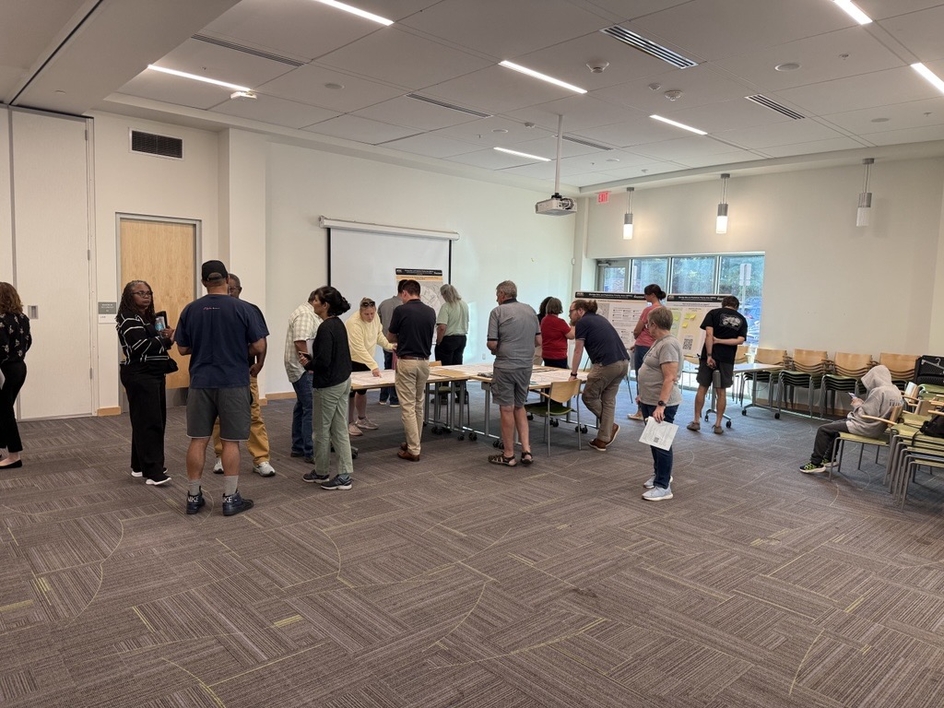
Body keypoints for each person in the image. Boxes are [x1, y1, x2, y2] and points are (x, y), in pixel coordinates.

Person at [175, 260, 267, 516]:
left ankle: (193, 497)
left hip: (200, 382)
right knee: (230, 441)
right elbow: (259, 346)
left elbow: (182, 348)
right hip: (233, 381)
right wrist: (236, 347)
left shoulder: (191, 309)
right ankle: (230, 497)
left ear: (203, 282)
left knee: (198, 440)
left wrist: (205, 345)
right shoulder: (243, 308)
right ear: (227, 279)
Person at [210, 274, 274, 477]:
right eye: (226, 289)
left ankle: (261, 459)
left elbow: (261, 339)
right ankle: (220, 456)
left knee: (253, 414)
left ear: (240, 290)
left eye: (233, 289)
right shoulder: (212, 310)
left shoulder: (250, 310)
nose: (229, 293)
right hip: (217, 372)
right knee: (219, 416)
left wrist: (260, 363)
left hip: (244, 372)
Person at [116, 280, 174, 485]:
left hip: (153, 372)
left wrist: (165, 337)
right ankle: (153, 471)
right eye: (140, 293)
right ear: (129, 297)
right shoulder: (128, 318)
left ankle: (139, 466)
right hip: (141, 374)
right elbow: (140, 345)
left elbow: (155, 345)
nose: (146, 296)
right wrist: (165, 339)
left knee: (146, 421)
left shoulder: (146, 318)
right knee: (150, 423)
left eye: (148, 292)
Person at [299, 286, 355, 489]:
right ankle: (344, 474)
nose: (313, 303)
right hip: (342, 381)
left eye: (316, 300)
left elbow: (323, 362)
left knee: (321, 431)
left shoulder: (325, 328)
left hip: (328, 386)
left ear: (325, 305)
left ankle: (322, 471)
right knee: (339, 430)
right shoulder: (338, 324)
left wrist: (308, 363)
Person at [800, 364, 903, 473]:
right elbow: (877, 410)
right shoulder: (895, 390)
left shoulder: (879, 391)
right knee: (834, 426)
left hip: (867, 427)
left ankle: (815, 463)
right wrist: (863, 404)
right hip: (879, 427)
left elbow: (867, 415)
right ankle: (829, 459)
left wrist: (857, 404)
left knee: (823, 429)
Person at [486, 280, 540, 467]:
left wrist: (497, 348)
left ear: (502, 294)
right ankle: (526, 450)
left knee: (506, 408)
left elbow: (492, 343)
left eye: (497, 295)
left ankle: (508, 454)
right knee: (520, 406)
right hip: (526, 366)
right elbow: (538, 341)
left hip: (506, 366)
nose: (496, 299)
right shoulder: (530, 310)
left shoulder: (497, 312)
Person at [569, 298, 630, 452]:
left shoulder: (583, 322)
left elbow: (578, 350)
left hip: (606, 364)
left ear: (580, 311)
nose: (569, 315)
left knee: (588, 396)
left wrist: (573, 373)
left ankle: (609, 427)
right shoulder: (600, 319)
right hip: (623, 363)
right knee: (608, 399)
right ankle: (603, 439)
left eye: (571, 311)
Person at [636, 306, 683, 501]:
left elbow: (669, 378)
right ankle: (659, 475)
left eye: (648, 325)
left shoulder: (668, 345)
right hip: (650, 399)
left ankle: (663, 486)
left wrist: (661, 405)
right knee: (653, 441)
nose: (647, 328)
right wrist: (643, 395)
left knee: (661, 444)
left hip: (662, 403)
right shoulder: (659, 342)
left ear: (654, 324)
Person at [387, 279, 436, 461]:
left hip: (407, 361)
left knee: (407, 406)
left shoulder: (401, 310)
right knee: (418, 404)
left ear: (405, 293)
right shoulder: (430, 311)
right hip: (424, 362)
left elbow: (390, 337)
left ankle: (414, 449)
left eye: (402, 295)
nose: (401, 298)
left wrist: (401, 338)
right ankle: (414, 441)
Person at [687, 295, 748, 434]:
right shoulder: (741, 319)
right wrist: (721, 341)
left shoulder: (713, 313)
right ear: (736, 306)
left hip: (709, 356)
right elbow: (740, 340)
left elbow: (709, 335)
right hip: (727, 358)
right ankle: (718, 424)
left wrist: (709, 355)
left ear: (723, 304)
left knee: (702, 388)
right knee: (722, 392)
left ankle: (696, 421)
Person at [346, 296, 393, 436]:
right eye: (366, 314)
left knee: (362, 391)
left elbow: (378, 335)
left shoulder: (375, 318)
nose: (370, 317)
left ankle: (361, 419)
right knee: (350, 392)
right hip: (352, 359)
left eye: (372, 313)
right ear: (360, 312)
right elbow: (358, 348)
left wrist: (389, 346)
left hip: (366, 360)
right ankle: (349, 422)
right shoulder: (353, 323)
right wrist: (374, 365)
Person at [284, 290, 320, 463]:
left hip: (301, 367)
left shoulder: (306, 312)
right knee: (310, 407)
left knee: (302, 405)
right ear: (315, 300)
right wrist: (310, 364)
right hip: (302, 368)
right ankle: (310, 450)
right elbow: (300, 342)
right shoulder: (306, 314)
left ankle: (298, 446)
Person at [0, 283, 32, 469]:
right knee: (3, 410)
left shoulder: (1, 320)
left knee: (5, 412)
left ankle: (14, 456)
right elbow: (28, 342)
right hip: (19, 368)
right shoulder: (22, 318)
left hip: (4, 370)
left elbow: (1, 350)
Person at [628, 284, 666, 421]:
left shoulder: (648, 310)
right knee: (656, 378)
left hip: (644, 346)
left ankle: (640, 410)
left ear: (652, 295)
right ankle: (655, 408)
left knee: (641, 378)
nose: (644, 297)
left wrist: (636, 338)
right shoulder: (664, 310)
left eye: (646, 294)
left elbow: (637, 329)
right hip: (657, 345)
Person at [377, 288, 402, 407]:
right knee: (395, 371)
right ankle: (394, 399)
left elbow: (378, 323)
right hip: (398, 344)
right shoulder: (403, 307)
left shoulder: (383, 303)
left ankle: (383, 398)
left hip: (385, 341)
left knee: (387, 369)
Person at [435, 284, 469, 366]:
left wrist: (438, 341)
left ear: (445, 294)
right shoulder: (464, 305)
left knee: (444, 367)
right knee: (457, 366)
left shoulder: (446, 306)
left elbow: (442, 327)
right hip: (462, 339)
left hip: (449, 340)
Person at [539, 297, 571, 369]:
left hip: (546, 354)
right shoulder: (560, 322)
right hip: (558, 356)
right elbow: (571, 336)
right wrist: (574, 324)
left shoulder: (544, 320)